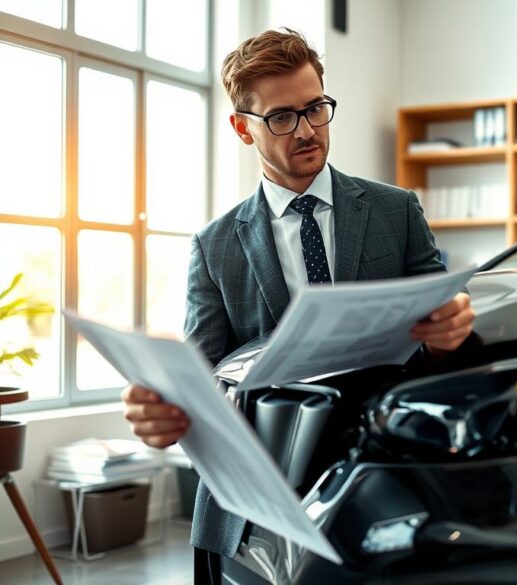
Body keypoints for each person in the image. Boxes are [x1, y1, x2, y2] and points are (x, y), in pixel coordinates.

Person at [119, 28, 475, 582]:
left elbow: (444, 341)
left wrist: (454, 329)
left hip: (384, 489)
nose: (308, 131)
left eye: (316, 109)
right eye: (283, 117)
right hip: (257, 507)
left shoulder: (396, 211)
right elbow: (206, 378)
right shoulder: (214, 246)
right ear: (242, 128)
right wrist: (167, 407)